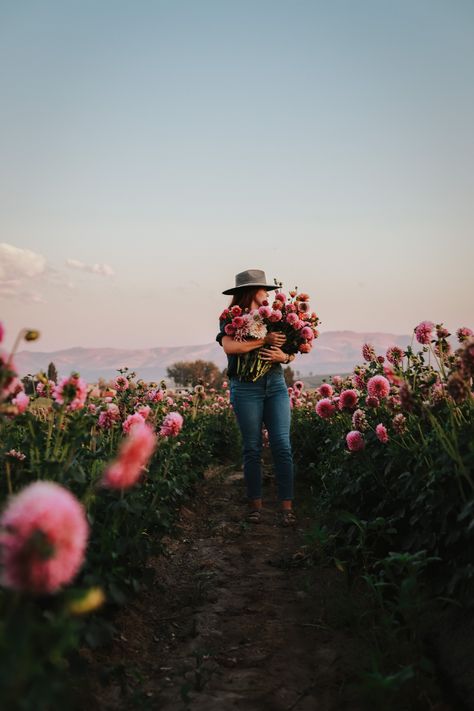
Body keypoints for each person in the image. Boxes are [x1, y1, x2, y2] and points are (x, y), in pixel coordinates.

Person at [216, 269, 297, 527]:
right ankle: (255, 507)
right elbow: (231, 346)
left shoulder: (277, 317)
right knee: (252, 448)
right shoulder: (230, 318)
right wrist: (264, 341)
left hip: (275, 385)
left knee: (282, 446)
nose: (267, 295)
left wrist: (283, 357)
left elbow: (292, 348)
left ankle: (287, 507)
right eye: (264, 290)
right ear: (251, 291)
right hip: (245, 388)